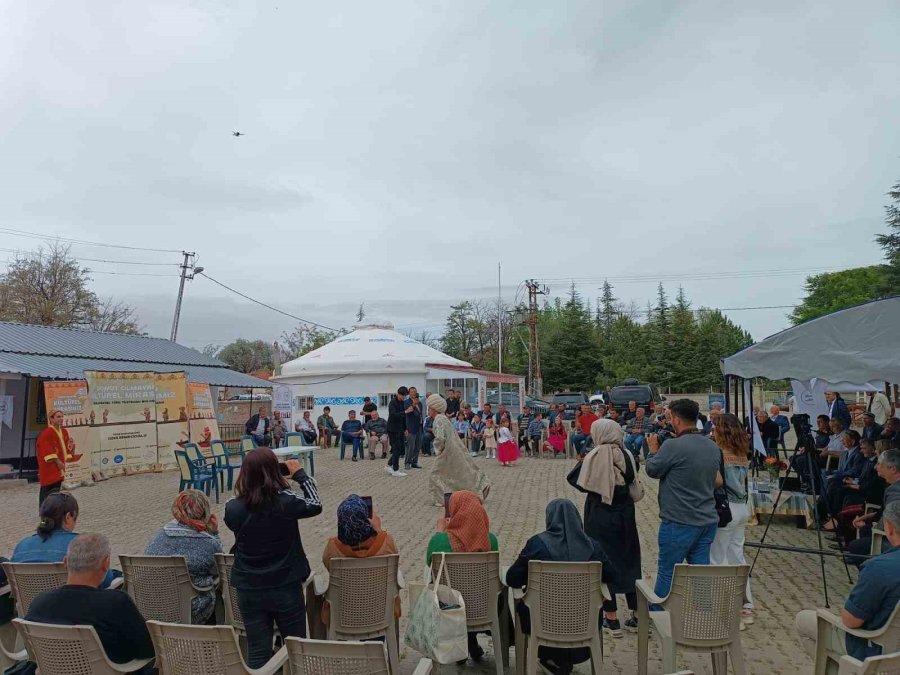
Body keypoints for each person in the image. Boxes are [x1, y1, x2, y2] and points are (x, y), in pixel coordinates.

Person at [224, 448, 322, 668]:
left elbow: (232, 518)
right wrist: (300, 476)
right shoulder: (286, 502)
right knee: (296, 646)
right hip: (285, 584)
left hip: (248, 586)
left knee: (258, 648)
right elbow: (315, 504)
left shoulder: (233, 508)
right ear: (274, 472)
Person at [506, 499, 615, 675]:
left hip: (541, 624)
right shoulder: (592, 547)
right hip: (584, 625)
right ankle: (560, 662)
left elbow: (512, 578)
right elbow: (611, 575)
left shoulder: (537, 545)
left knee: (526, 603)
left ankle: (552, 660)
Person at [25, 533, 155, 674]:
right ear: (105, 564)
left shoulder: (39, 603)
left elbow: (31, 651)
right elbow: (148, 649)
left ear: (65, 562)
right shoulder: (115, 603)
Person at [795, 500, 900, 663]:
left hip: (878, 651)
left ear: (889, 527)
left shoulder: (879, 568)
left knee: (803, 620)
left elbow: (851, 621)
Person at [567, 419, 641, 635]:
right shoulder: (626, 454)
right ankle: (637, 614)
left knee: (603, 560)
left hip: (600, 512)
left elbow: (575, 479)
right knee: (629, 558)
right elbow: (632, 474)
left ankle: (611, 617)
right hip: (625, 512)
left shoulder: (596, 454)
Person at [645, 399, 721, 602]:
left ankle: (658, 614)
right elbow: (716, 480)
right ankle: (701, 613)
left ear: (676, 420)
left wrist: (653, 451)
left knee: (667, 572)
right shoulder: (712, 445)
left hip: (679, 520)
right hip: (706, 519)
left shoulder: (672, 446)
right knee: (700, 574)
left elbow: (652, 470)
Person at [426, 491, 499, 664]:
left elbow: (430, 562)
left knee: (436, 583)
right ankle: (472, 642)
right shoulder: (490, 540)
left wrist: (440, 532)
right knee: (481, 588)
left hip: (449, 607)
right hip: (483, 606)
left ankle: (462, 645)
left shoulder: (440, 542)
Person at [320, 495, 400, 626]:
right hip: (381, 613)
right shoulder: (386, 542)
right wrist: (378, 531)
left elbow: (327, 565)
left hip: (343, 616)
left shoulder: (333, 547)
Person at [145, 489, 222, 624]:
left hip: (153, 606)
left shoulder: (158, 537)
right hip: (189, 611)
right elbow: (218, 570)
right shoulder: (209, 544)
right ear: (206, 513)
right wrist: (214, 533)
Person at [12, 492, 119, 589]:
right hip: (73, 603)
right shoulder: (81, 546)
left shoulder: (21, 546)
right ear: (68, 517)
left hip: (32, 605)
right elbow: (104, 580)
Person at [709, 413, 755, 627]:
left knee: (718, 558)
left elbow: (716, 482)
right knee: (737, 556)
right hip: (742, 507)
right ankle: (746, 605)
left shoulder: (719, 453)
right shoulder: (741, 452)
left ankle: (727, 609)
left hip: (726, 508)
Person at [427, 394, 490, 505]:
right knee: (463, 471)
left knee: (435, 474)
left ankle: (440, 500)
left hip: (447, 451)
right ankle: (482, 484)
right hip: (455, 448)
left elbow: (440, 438)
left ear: (434, 409)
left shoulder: (438, 420)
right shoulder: (444, 418)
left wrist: (438, 449)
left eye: (429, 408)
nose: (428, 411)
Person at [847, 448, 900, 563]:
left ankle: (869, 566)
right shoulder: (892, 486)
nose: (876, 467)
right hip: (886, 528)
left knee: (855, 545)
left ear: (893, 469)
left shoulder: (895, 490)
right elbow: (884, 510)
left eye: (880, 464)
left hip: (892, 542)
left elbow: (891, 519)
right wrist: (865, 518)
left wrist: (872, 526)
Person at [35, 409, 81, 506]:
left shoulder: (64, 431)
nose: (61, 418)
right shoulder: (46, 433)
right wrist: (58, 461)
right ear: (51, 419)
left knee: (56, 490)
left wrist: (68, 458)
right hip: (50, 467)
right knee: (47, 490)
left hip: (59, 467)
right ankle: (44, 510)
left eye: (62, 416)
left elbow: (66, 447)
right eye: (58, 417)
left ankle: (54, 509)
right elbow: (46, 449)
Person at [385, 387, 408, 477]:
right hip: (392, 429)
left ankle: (389, 465)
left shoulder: (402, 402)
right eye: (403, 395)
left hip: (400, 429)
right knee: (396, 449)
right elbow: (393, 415)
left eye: (405, 396)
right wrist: (405, 411)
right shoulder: (392, 403)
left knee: (401, 449)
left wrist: (405, 429)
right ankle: (395, 470)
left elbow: (403, 417)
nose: (404, 397)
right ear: (398, 394)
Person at [405, 387, 423, 470]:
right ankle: (407, 462)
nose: (413, 393)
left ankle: (414, 462)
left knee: (418, 446)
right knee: (411, 446)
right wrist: (413, 405)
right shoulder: (406, 402)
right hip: (411, 427)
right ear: (409, 393)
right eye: (412, 392)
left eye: (415, 392)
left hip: (419, 426)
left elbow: (420, 413)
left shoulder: (420, 403)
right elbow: (408, 411)